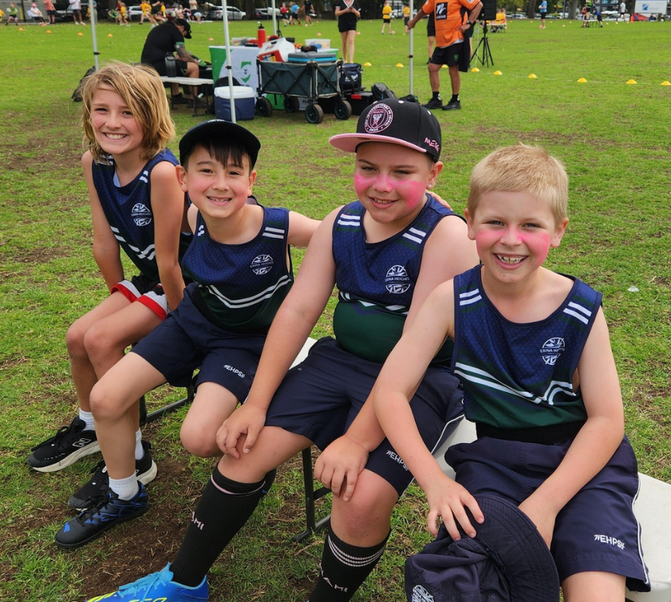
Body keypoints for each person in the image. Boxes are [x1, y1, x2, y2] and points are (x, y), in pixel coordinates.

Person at [83, 98, 477, 602]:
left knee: (358, 499)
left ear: (434, 172)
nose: (381, 184)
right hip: (339, 362)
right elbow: (295, 313)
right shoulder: (342, 222)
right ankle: (183, 583)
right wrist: (256, 403)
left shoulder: (445, 236)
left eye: (402, 171)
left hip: (418, 384)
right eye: (367, 168)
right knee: (243, 451)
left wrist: (356, 440)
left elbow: (411, 354)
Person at [373, 143, 651, 601]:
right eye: (496, 222)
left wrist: (543, 506)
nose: (510, 239)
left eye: (530, 226)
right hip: (495, 461)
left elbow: (606, 421)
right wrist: (435, 481)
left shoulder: (581, 310)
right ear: (470, 223)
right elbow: (390, 393)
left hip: (582, 468)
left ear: (558, 232)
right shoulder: (450, 300)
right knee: (467, 587)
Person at [54, 119, 320, 549]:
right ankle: (125, 492)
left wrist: (413, 210)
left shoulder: (278, 225)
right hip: (191, 323)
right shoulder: (190, 214)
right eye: (206, 170)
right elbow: (159, 255)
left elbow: (344, 232)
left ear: (251, 180)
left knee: (197, 438)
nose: (220, 184)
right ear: (184, 178)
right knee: (105, 397)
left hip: (244, 343)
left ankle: (258, 457)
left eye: (234, 173)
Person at [27, 63, 190, 509]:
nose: (112, 123)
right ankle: (91, 427)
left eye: (128, 112)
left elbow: (172, 260)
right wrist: (121, 296)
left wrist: (179, 322)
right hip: (146, 280)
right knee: (77, 337)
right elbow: (104, 244)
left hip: (184, 287)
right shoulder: (93, 164)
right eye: (102, 109)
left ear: (152, 115)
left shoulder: (162, 172)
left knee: (101, 338)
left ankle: (135, 456)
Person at [407, 0, 482, 111]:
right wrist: (413, 21)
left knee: (453, 69)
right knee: (432, 67)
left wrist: (468, 23)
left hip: (455, 39)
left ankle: (455, 99)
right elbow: (424, 10)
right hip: (441, 41)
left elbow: (478, 5)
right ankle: (436, 99)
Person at [141, 18, 199, 104]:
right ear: (182, 28)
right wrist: (194, 61)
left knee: (174, 64)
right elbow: (183, 57)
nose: (182, 37)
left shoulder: (159, 28)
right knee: (194, 68)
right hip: (157, 66)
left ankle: (176, 95)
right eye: (184, 34)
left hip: (146, 64)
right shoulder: (176, 32)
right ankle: (194, 100)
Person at [335, 0, 360, 64]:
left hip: (352, 23)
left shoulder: (354, 1)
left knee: (351, 41)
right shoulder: (340, 1)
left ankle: (351, 60)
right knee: (344, 42)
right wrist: (345, 10)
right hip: (343, 23)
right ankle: (345, 59)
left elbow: (359, 14)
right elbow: (336, 13)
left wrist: (354, 11)